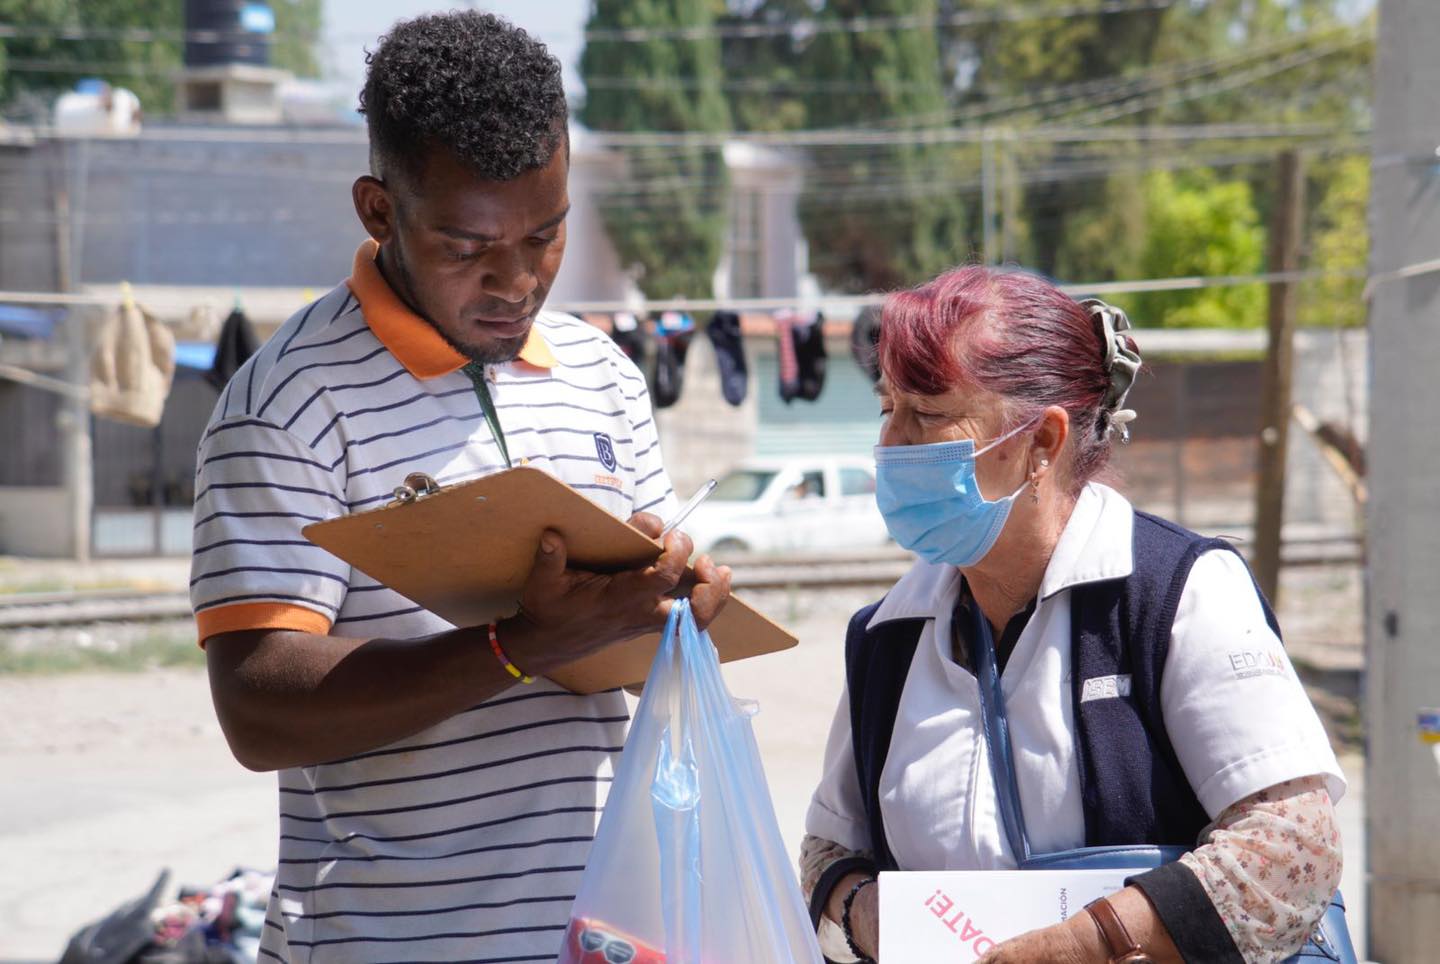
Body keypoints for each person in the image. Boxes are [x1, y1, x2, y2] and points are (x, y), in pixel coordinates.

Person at [189, 13, 730, 962]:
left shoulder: (603, 376)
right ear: (378, 209)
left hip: (605, 939)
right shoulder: (287, 404)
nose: (516, 279)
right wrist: (515, 646)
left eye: (546, 234)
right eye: (467, 244)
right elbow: (259, 708)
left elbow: (629, 652)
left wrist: (671, 606)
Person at [801, 267, 1344, 963]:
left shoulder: (1177, 593)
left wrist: (1089, 941)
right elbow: (829, 847)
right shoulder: (886, 637)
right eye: (887, 410)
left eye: (930, 414)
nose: (893, 445)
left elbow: (1292, 844)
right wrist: (864, 914)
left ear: (1043, 442)